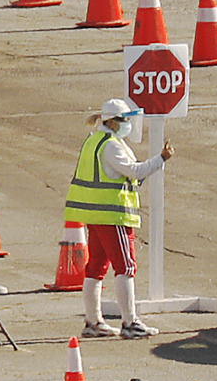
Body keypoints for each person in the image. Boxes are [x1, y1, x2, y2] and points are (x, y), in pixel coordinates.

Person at [67, 98, 167, 338]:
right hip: (113, 214)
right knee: (126, 266)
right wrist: (160, 159)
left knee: (96, 268)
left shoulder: (94, 141)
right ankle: (130, 322)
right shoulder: (111, 145)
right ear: (112, 122)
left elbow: (122, 175)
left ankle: (93, 322)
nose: (129, 124)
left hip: (95, 213)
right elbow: (134, 171)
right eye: (126, 120)